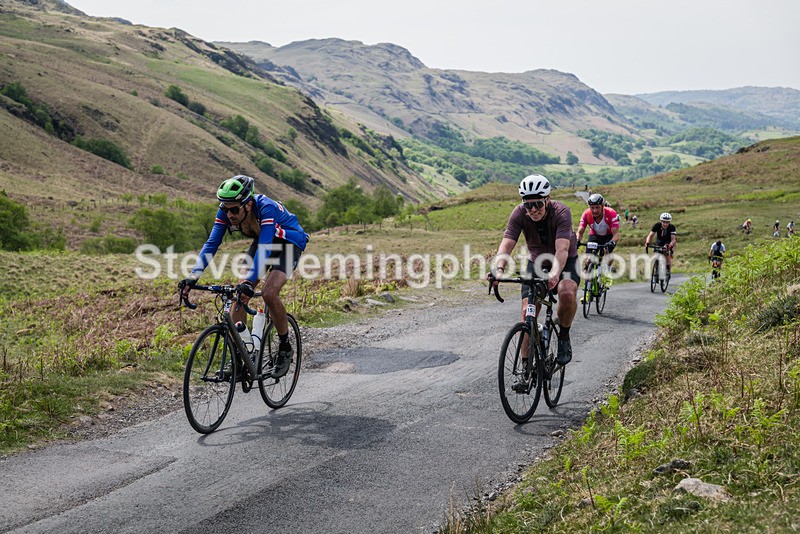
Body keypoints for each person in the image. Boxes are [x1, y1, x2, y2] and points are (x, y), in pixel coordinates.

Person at [180, 175, 309, 378]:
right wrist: (192, 277)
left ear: (248, 204)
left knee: (269, 292)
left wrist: (250, 282)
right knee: (238, 296)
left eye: (234, 209)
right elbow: (211, 244)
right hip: (262, 242)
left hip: (288, 243)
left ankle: (284, 347)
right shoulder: (226, 213)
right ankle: (241, 357)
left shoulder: (266, 208)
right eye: (225, 208)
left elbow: (266, 246)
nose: (229, 214)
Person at [488, 174, 579, 366]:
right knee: (526, 313)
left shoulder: (562, 212)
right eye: (529, 205)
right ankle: (525, 366)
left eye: (538, 204)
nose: (534, 209)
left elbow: (562, 249)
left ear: (547, 199)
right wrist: (498, 269)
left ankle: (563, 336)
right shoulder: (519, 213)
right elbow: (507, 243)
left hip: (565, 261)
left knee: (567, 292)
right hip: (537, 263)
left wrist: (555, 274)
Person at [576, 193, 620, 278]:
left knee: (607, 253)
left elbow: (616, 234)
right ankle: (588, 281)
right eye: (592, 208)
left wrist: (612, 243)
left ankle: (607, 272)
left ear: (602, 206)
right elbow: (580, 231)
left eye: (597, 207)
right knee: (588, 259)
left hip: (609, 236)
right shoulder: (586, 214)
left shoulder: (611, 213)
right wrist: (577, 241)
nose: (595, 210)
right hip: (595, 235)